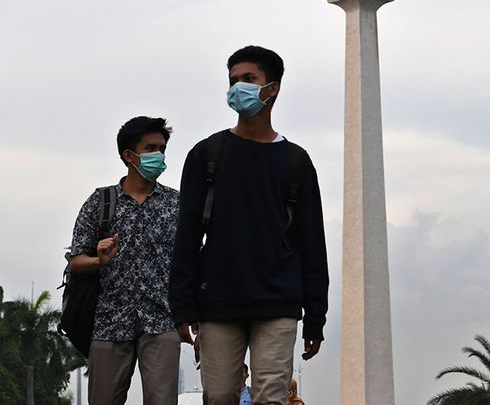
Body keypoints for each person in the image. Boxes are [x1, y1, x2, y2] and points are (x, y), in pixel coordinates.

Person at [169, 45, 329, 405]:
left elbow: (312, 244)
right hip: (218, 301)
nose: (237, 88)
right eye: (232, 80)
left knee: (271, 397)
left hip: (278, 302)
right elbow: (188, 236)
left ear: (272, 88)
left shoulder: (296, 161)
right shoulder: (206, 155)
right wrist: (183, 304)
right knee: (221, 394)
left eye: (248, 79)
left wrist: (315, 317)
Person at [68, 116, 180, 405]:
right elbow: (75, 261)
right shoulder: (101, 202)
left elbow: (189, 262)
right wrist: (98, 260)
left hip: (162, 321)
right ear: (128, 156)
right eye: (151, 148)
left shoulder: (176, 204)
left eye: (163, 148)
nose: (159, 155)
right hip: (109, 322)